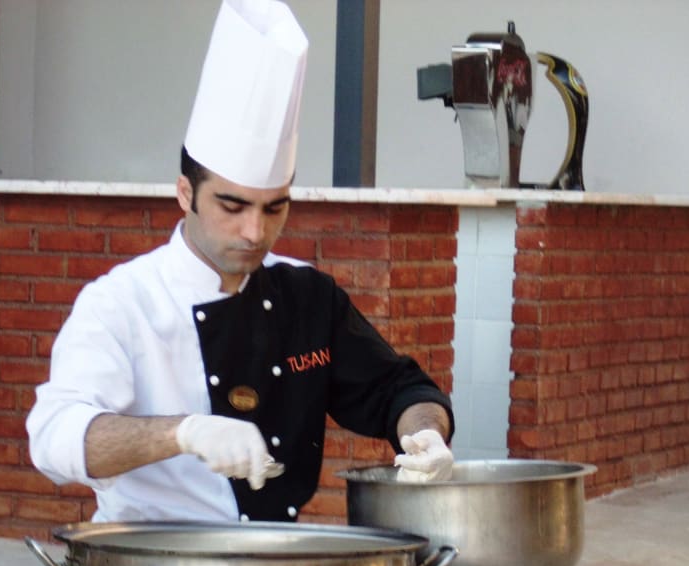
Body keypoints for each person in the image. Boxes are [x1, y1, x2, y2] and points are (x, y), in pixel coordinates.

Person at [26, 0, 454, 523]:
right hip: (148, 565)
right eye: (232, 206)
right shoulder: (122, 303)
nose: (255, 231)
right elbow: (54, 438)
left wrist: (424, 432)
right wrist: (183, 433)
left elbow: (398, 390)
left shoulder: (307, 298)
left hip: (274, 561)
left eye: (274, 207)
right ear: (186, 193)